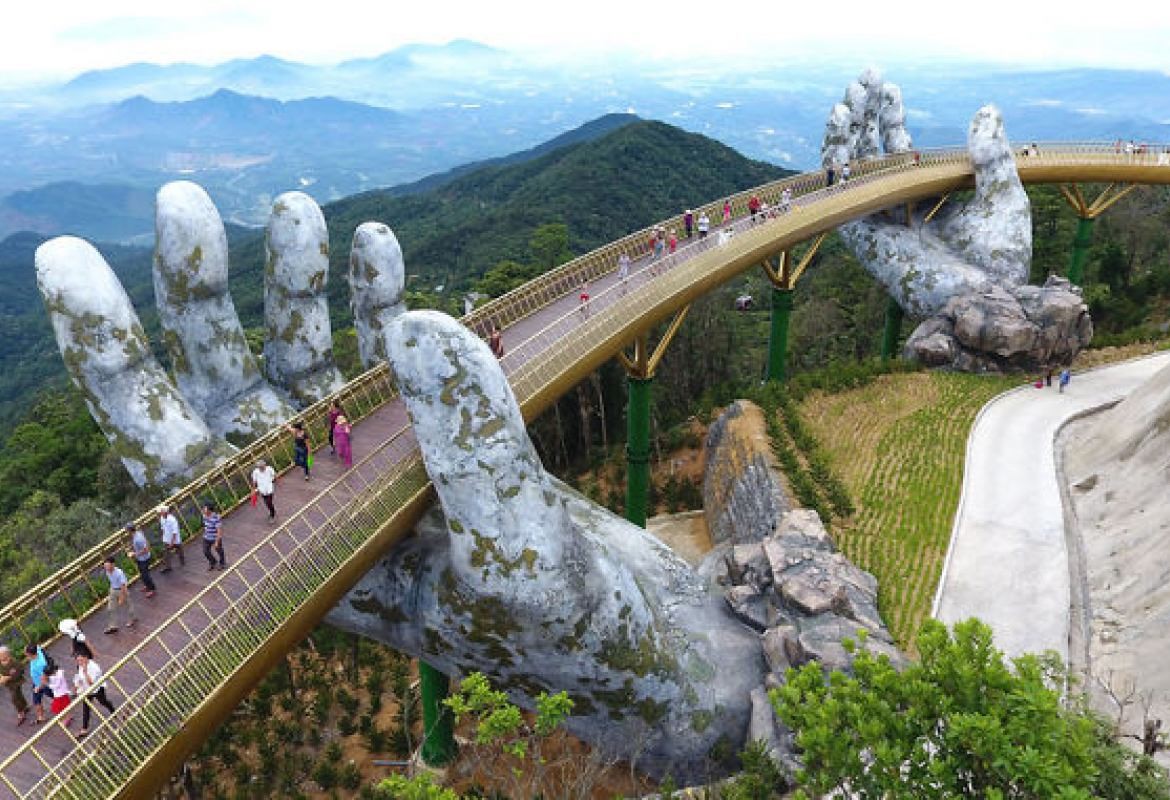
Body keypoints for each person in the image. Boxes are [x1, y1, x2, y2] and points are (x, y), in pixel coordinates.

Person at [73, 652, 115, 738]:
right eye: (77, 660)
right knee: (86, 708)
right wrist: (77, 685)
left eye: (80, 660)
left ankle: (112, 710)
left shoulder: (94, 667)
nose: (79, 662)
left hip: (97, 688)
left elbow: (91, 683)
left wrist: (85, 672)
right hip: (87, 690)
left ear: (86, 658)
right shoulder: (81, 665)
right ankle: (84, 729)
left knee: (103, 701)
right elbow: (80, 677)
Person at [103, 556, 136, 634]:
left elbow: (123, 586)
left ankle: (132, 618)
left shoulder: (119, 573)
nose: (106, 568)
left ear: (113, 565)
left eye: (107, 566)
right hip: (113, 589)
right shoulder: (107, 571)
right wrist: (111, 590)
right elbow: (112, 581)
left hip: (122, 590)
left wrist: (121, 598)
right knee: (110, 608)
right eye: (105, 566)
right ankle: (113, 626)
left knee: (128, 605)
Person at [0, 646, 28, 726]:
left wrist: (8, 677)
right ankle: (25, 706)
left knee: (14, 698)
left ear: (6, 654)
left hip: (16, 682)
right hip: (8, 684)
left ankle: (21, 713)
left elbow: (20, 671)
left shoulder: (14, 662)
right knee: (19, 695)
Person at [126, 523, 156, 597]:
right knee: (142, 574)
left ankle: (152, 589)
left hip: (144, 559)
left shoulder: (138, 539)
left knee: (146, 575)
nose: (126, 531)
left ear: (129, 530)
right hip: (140, 559)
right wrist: (131, 547)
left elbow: (146, 549)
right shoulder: (137, 534)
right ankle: (147, 586)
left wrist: (134, 554)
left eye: (127, 530)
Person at [24, 644, 48, 724]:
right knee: (36, 701)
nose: (24, 653)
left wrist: (39, 687)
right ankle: (40, 717)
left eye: (26, 653)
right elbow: (38, 646)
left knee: (55, 696)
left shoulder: (40, 664)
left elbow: (45, 678)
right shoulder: (37, 650)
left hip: (43, 685)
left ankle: (65, 708)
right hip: (36, 683)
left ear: (30, 654)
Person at [46, 659, 73, 727]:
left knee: (58, 708)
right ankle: (68, 717)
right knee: (64, 706)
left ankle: (66, 719)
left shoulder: (58, 677)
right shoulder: (59, 673)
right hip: (63, 693)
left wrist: (47, 684)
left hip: (60, 695)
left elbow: (56, 686)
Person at [158, 504, 184, 571]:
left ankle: (182, 561)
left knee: (179, 551)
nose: (160, 512)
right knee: (165, 553)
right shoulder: (161, 518)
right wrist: (163, 536)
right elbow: (162, 528)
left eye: (161, 511)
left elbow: (175, 532)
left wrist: (172, 542)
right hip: (167, 539)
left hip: (175, 539)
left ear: (165, 512)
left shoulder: (172, 520)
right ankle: (168, 567)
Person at [202, 502, 225, 571]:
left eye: (205, 508)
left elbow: (219, 531)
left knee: (219, 550)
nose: (203, 509)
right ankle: (213, 562)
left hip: (215, 537)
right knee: (205, 551)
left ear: (209, 510)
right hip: (206, 537)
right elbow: (205, 525)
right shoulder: (204, 515)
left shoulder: (216, 517)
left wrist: (217, 542)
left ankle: (222, 563)